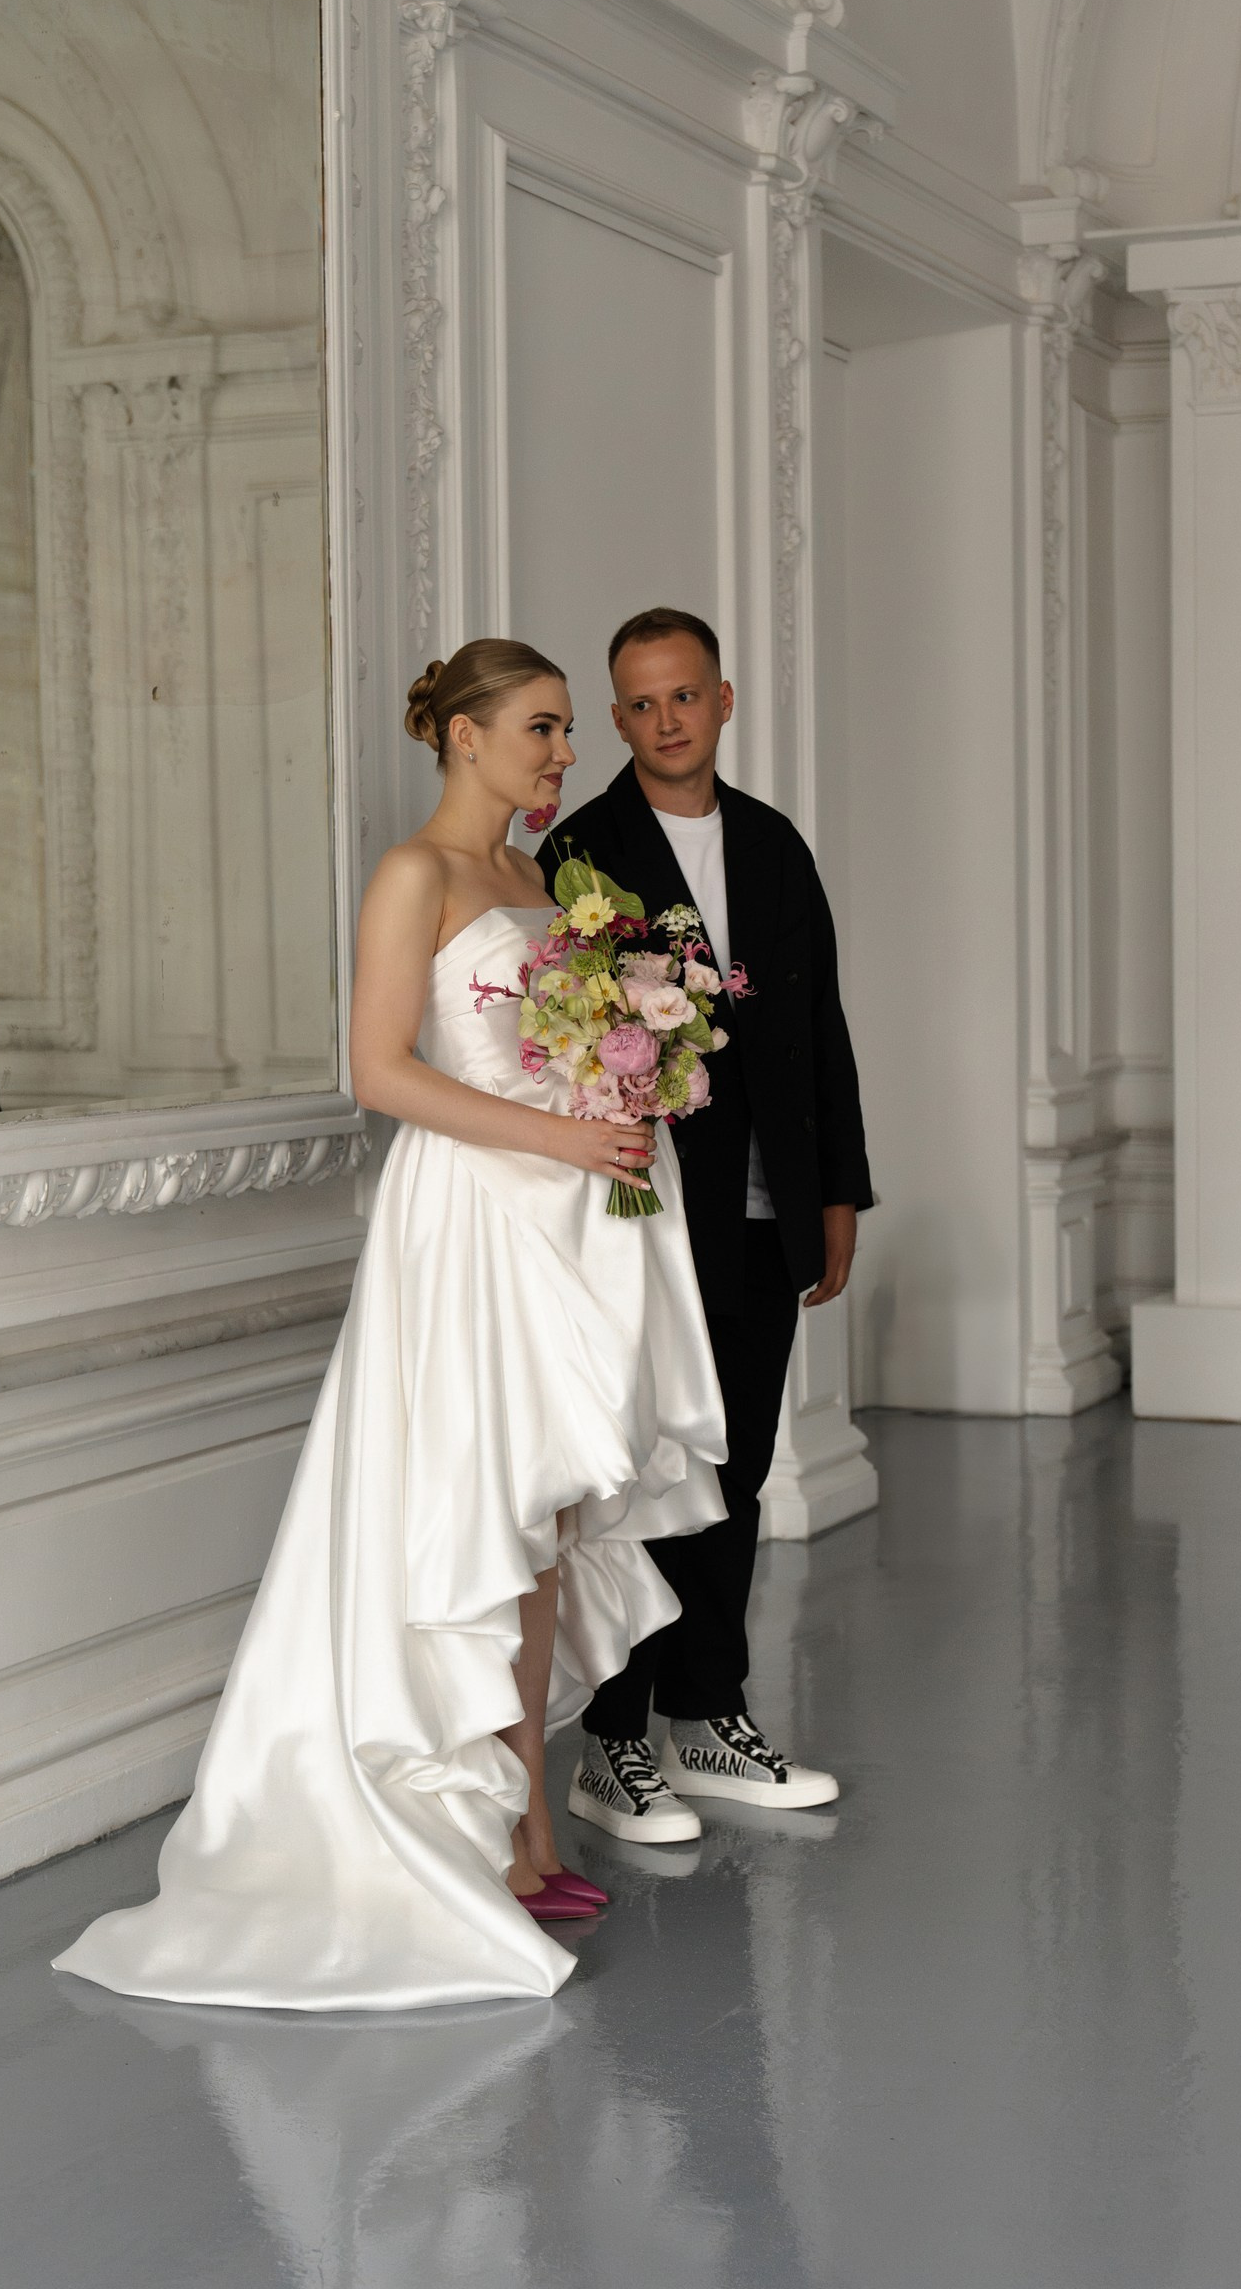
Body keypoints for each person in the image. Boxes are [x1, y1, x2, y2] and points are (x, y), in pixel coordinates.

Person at [53, 640, 728, 2009]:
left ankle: (528, 1827)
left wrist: (625, 1088)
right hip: (470, 1222)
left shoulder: (542, 881)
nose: (563, 754)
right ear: (465, 737)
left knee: (542, 1521)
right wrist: (560, 1131)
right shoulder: (414, 874)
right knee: (481, 1508)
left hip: (565, 1227)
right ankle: (490, 1833)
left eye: (564, 731)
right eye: (541, 729)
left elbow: (562, 1047)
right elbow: (377, 1070)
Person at [538, 607, 872, 1843]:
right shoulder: (582, 851)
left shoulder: (776, 844)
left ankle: (708, 1713)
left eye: (684, 695)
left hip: (765, 1206)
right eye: (640, 702)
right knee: (640, 1475)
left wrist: (837, 1192)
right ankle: (613, 1740)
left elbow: (821, 1028)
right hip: (643, 1216)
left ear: (723, 701)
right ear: (616, 717)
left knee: (734, 1469)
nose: (665, 719)